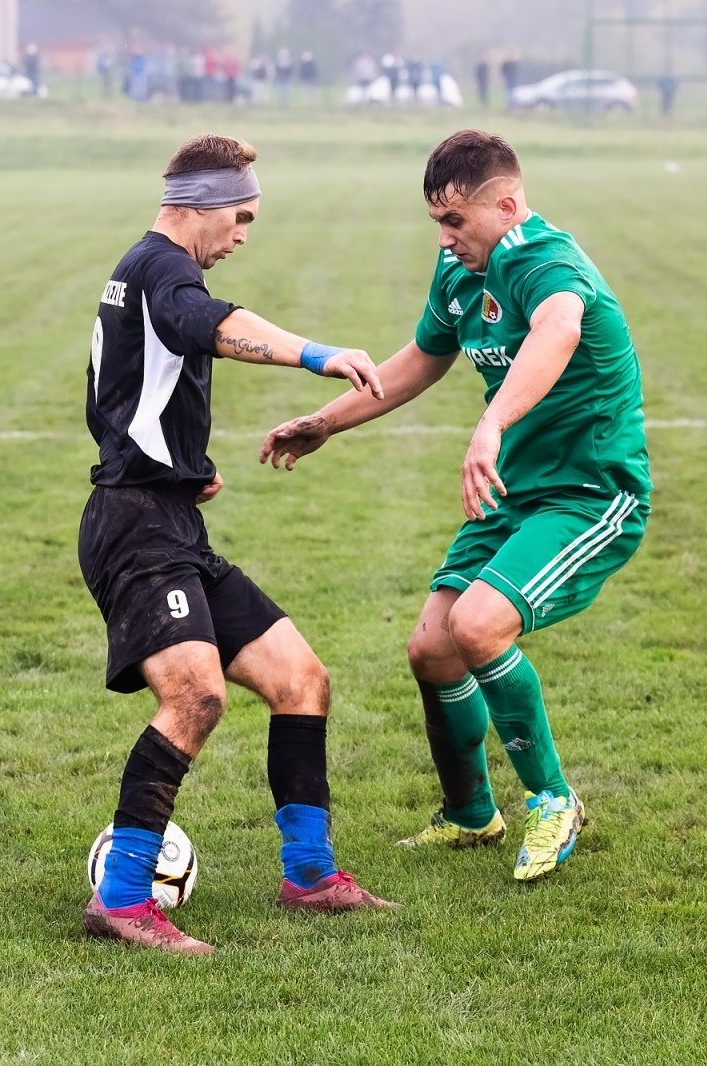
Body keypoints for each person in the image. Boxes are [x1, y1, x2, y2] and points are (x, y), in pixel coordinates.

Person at [260, 130, 651, 883]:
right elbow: (421, 359)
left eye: (455, 221)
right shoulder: (459, 270)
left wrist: (492, 423)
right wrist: (327, 422)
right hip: (512, 494)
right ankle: (472, 814)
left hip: (589, 494)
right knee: (432, 649)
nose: (444, 237)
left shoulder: (547, 263)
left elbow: (559, 328)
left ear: (507, 205)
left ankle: (554, 799)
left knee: (477, 625)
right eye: (437, 221)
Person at [80, 134, 399, 956]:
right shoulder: (164, 271)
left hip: (167, 516)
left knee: (302, 679)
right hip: (137, 532)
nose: (245, 234)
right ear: (205, 205)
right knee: (197, 697)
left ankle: (310, 876)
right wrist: (318, 355)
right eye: (243, 216)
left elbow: (119, 390)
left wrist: (185, 467)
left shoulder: (140, 270)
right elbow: (208, 325)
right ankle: (122, 901)